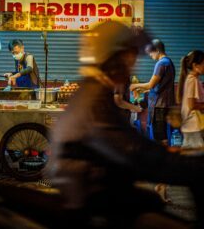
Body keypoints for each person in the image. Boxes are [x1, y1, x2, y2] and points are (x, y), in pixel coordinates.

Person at [46, 21, 204, 228]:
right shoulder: (95, 99)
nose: (132, 65)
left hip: (97, 188)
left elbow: (126, 141)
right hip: (93, 199)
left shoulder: (93, 91)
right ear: (113, 59)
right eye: (129, 58)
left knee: (152, 201)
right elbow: (132, 152)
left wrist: (164, 152)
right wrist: (184, 165)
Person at [130, 39, 175, 143]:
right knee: (163, 134)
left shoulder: (161, 63)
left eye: (151, 52)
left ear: (158, 50)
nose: (150, 55)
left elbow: (151, 84)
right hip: (164, 104)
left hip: (160, 106)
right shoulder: (169, 62)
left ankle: (162, 158)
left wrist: (134, 85)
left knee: (160, 137)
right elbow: (161, 86)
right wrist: (143, 90)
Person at [177, 50, 204, 148]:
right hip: (193, 126)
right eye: (203, 63)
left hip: (191, 125)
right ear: (195, 65)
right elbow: (192, 105)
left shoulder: (192, 79)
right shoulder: (192, 80)